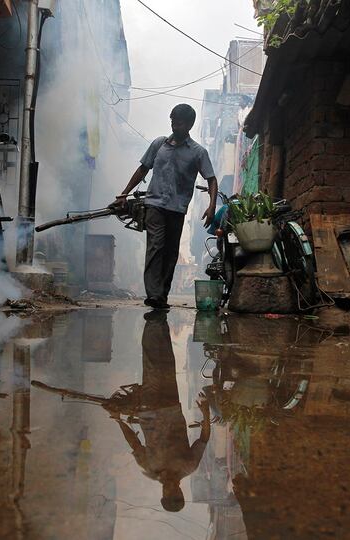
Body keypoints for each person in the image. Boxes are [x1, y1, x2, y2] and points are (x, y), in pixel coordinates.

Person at [116, 104, 218, 310]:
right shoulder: (158, 145)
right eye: (172, 120)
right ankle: (153, 294)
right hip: (154, 204)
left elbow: (212, 179)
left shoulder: (198, 152)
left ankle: (161, 295)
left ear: (189, 124)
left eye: (179, 122)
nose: (174, 125)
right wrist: (124, 193)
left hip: (177, 208)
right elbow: (143, 169)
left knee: (170, 252)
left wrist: (212, 206)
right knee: (156, 245)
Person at [109, 311, 211, 512]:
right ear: (180, 492)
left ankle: (152, 324)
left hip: (148, 408)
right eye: (174, 492)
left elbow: (134, 443)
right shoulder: (188, 466)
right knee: (166, 364)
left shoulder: (150, 468)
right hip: (171, 404)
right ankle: (160, 321)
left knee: (151, 365)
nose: (169, 489)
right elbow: (203, 439)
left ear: (162, 494)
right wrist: (205, 412)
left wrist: (118, 420)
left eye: (166, 493)